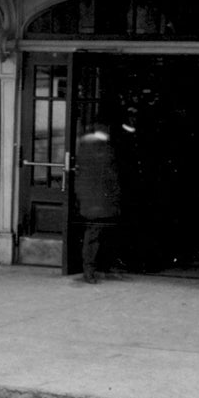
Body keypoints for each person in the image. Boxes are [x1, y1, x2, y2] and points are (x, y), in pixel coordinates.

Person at [72, 120, 123, 284]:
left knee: (93, 234)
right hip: (102, 200)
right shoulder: (104, 150)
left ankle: (91, 270)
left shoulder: (85, 148)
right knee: (97, 235)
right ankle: (94, 269)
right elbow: (111, 176)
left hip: (91, 200)